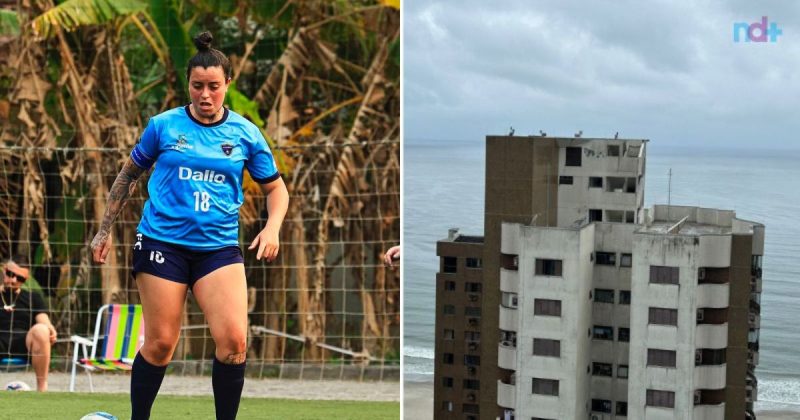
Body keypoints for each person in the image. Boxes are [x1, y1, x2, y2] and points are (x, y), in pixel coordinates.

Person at [90, 31, 289, 420]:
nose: (205, 94)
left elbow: (276, 190)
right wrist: (104, 229)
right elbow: (127, 176)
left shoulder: (246, 134)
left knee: (234, 342)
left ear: (227, 85)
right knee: (162, 343)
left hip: (218, 248)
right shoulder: (163, 126)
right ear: (188, 85)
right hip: (162, 243)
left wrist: (273, 227)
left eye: (214, 86)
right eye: (198, 86)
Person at [0, 254, 57, 392]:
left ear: (25, 279)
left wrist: (49, 327)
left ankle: (42, 390)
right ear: (4, 271)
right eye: (10, 274)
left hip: (23, 343)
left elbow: (43, 319)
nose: (13, 280)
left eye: (19, 278)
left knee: (41, 330)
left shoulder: (33, 297)